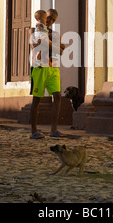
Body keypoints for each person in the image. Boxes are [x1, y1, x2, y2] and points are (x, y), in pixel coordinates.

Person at [29, 9, 65, 139]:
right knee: (37, 99)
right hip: (39, 67)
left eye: (53, 20)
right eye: (49, 17)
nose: (50, 21)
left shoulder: (55, 34)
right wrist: (54, 46)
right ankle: (33, 131)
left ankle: (53, 130)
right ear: (43, 17)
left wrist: (49, 45)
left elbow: (60, 52)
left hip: (53, 67)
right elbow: (35, 47)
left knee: (57, 96)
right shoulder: (34, 30)